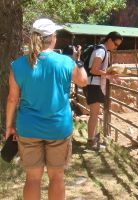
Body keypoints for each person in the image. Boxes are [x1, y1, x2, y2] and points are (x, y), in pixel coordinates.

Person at [5, 18, 87, 200]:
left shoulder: (18, 65)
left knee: (32, 178)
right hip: (58, 128)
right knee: (57, 177)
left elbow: (12, 99)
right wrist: (79, 62)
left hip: (28, 129)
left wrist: (10, 126)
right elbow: (83, 81)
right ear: (53, 38)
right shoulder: (66, 62)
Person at [86, 31, 123, 149]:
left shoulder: (102, 51)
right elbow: (94, 70)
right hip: (94, 85)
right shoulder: (101, 51)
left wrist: (111, 76)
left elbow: (98, 71)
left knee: (95, 114)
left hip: (95, 84)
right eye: (116, 44)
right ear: (110, 40)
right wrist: (108, 73)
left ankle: (93, 140)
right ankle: (91, 142)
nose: (116, 47)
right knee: (94, 114)